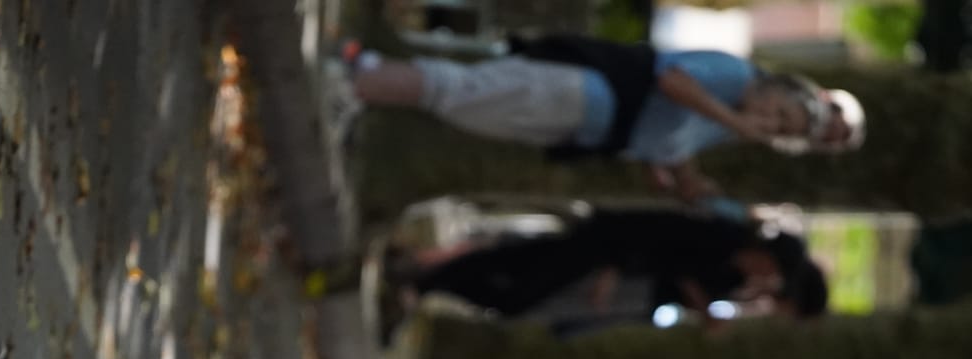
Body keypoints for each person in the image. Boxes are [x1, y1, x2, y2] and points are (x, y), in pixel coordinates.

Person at [338, 34, 865, 199]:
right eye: (781, 115)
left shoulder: (734, 122)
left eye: (781, 132)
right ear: (781, 90)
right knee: (461, 91)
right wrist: (735, 123)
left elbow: (671, 138)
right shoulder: (735, 79)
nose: (770, 125)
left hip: (588, 126)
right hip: (586, 93)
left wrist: (682, 175)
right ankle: (354, 84)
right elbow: (672, 80)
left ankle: (366, 73)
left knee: (466, 103)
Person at [386, 209, 828, 340]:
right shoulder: (723, 235)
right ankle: (423, 276)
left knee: (513, 292)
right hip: (607, 254)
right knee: (516, 277)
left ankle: (425, 279)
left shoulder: (734, 282)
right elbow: (657, 233)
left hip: (628, 289)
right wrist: (614, 268)